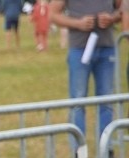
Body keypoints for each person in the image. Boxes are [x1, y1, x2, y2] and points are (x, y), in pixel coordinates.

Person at [51, 0, 120, 148]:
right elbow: (53, 14)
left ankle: (107, 147)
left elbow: (122, 10)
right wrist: (78, 24)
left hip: (106, 48)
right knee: (78, 100)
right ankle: (78, 149)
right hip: (79, 48)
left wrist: (111, 18)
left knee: (107, 100)